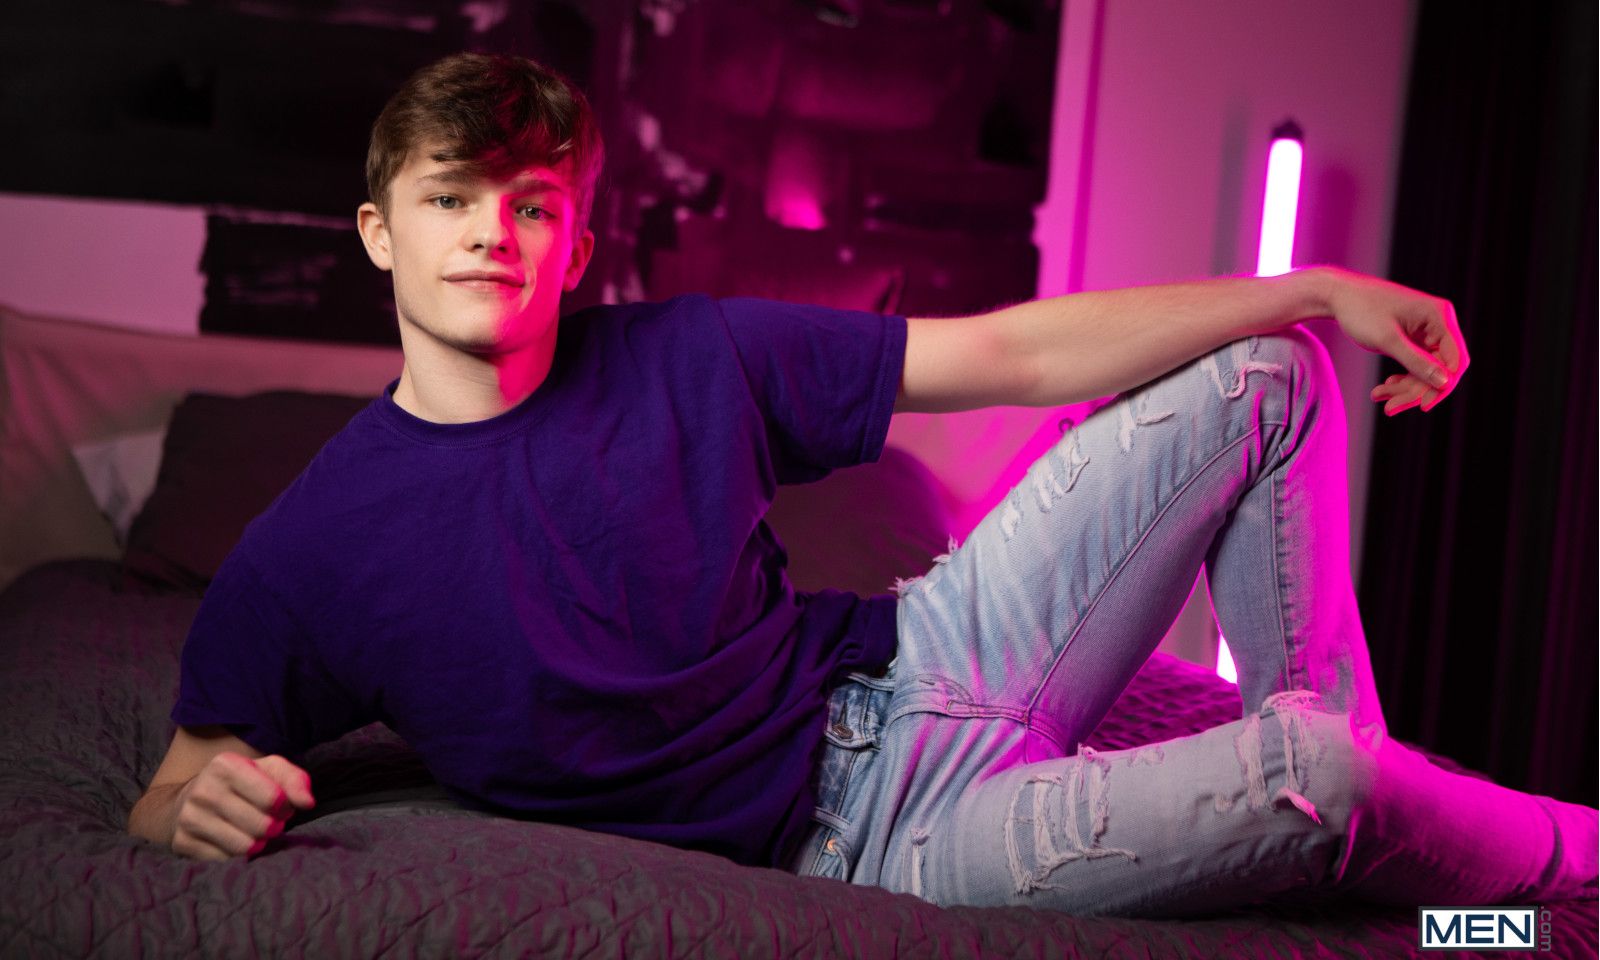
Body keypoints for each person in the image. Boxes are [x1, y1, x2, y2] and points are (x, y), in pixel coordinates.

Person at [127, 51, 1596, 916]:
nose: (490, 234)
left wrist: (1314, 284)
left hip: (933, 651)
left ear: (576, 248)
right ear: (380, 233)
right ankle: (1550, 864)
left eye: (532, 204)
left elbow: (1012, 354)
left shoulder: (691, 353)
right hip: (882, 838)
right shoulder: (315, 548)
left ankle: (1375, 829)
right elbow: (170, 791)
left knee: (1267, 371)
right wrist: (196, 808)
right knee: (1323, 777)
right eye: (450, 199)